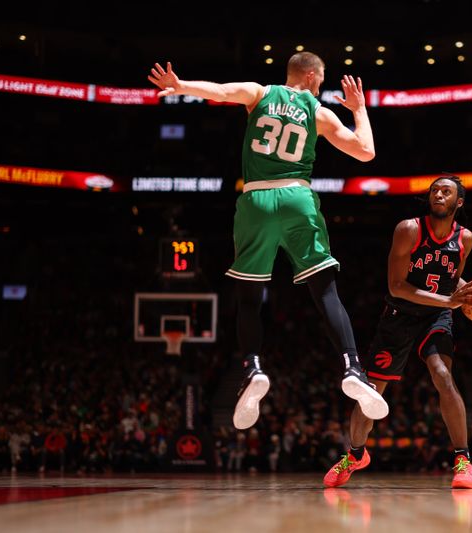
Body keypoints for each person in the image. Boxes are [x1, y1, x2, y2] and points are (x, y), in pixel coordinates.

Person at [147, 52, 388, 430]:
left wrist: (181, 87)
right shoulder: (318, 112)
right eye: (321, 81)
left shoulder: (259, 93)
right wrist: (359, 109)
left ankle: (253, 368)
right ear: (310, 76)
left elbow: (222, 92)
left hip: (256, 200)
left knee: (249, 297)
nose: (321, 87)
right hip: (297, 198)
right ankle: (352, 369)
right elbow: (366, 151)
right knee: (325, 292)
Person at [323, 175, 472, 489]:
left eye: (446, 191)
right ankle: (355, 454)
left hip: (437, 315)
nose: (438, 194)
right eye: (435, 190)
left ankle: (463, 460)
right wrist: (449, 299)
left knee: (442, 374)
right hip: (399, 315)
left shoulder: (464, 238)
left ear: (459, 202)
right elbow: (396, 286)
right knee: (371, 392)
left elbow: (453, 277)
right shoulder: (409, 229)